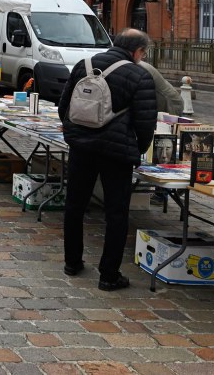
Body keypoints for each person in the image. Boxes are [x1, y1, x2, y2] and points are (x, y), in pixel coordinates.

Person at [59, 28, 157, 292]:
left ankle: (72, 262)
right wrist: (139, 149)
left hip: (81, 147)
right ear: (137, 52)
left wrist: (75, 134)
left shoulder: (84, 65)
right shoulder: (139, 75)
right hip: (116, 153)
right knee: (116, 212)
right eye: (143, 52)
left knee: (75, 205)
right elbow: (146, 122)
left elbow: (64, 105)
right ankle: (109, 274)